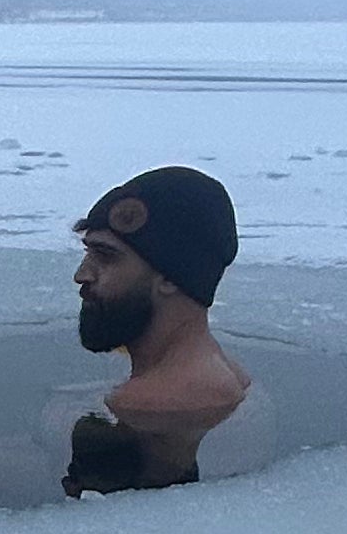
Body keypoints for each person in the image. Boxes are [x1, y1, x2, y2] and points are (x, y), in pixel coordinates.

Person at [65, 166, 249, 492]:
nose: (82, 275)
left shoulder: (145, 403)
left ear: (170, 277)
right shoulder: (230, 376)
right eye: (88, 253)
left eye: (106, 257)